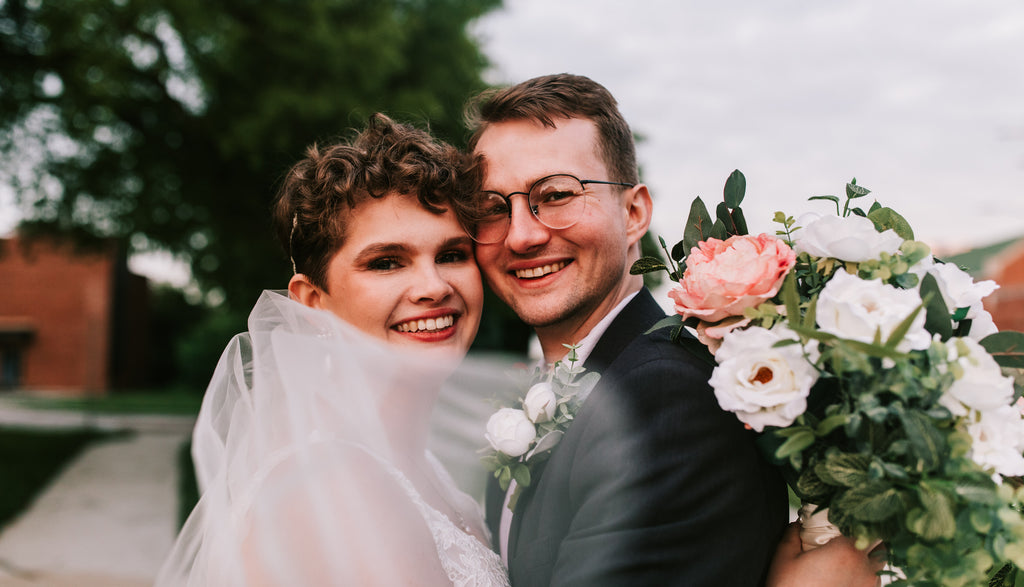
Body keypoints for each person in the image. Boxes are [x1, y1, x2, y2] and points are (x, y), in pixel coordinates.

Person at [466, 73, 883, 587]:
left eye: (555, 195)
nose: (522, 234)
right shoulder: (560, 389)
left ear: (635, 211)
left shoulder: (664, 401)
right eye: (490, 208)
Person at [155, 113, 510, 586]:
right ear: (312, 302)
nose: (434, 286)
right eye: (386, 263)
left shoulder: (424, 466)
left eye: (451, 255)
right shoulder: (328, 490)